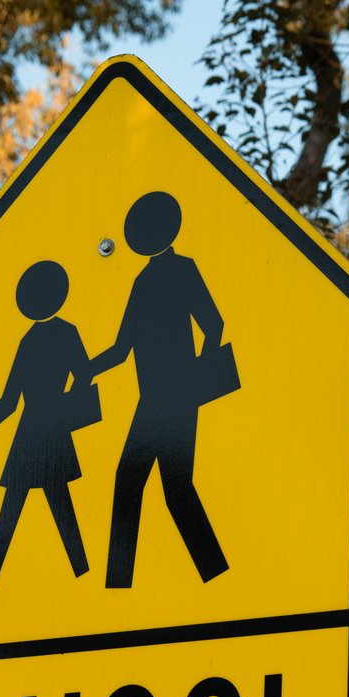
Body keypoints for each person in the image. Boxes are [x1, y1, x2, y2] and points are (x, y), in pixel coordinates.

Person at [89, 191, 233, 589]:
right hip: (153, 399)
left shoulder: (183, 270)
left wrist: (197, 380)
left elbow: (213, 325)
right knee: (156, 485)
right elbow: (122, 349)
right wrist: (86, 369)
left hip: (176, 397)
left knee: (152, 483)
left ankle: (127, 582)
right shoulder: (142, 281)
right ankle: (207, 573)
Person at [0, 259, 97, 589]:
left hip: (35, 431)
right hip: (43, 431)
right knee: (45, 504)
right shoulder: (47, 337)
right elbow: (82, 377)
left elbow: (9, 402)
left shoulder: (35, 340)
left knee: (37, 505)